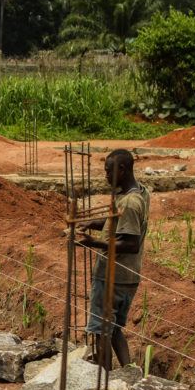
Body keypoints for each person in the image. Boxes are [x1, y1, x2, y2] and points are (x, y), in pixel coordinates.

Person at [77, 149, 150, 371]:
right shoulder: (140, 193)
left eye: (109, 171)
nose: (106, 176)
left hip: (112, 275)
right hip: (128, 275)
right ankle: (129, 373)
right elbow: (117, 225)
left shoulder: (129, 202)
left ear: (122, 169)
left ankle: (106, 379)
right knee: (115, 328)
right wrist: (93, 223)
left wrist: (94, 243)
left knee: (101, 331)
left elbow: (131, 242)